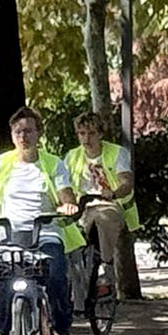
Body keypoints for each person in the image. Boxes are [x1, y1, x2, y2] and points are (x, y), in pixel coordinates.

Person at [0, 105, 77, 335]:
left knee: (55, 275)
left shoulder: (53, 164)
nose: (24, 136)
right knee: (4, 285)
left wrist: (67, 206)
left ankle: (60, 329)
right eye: (18, 131)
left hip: (45, 232)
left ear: (38, 134)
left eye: (29, 131)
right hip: (10, 235)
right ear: (12, 135)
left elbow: (66, 194)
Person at [63, 111, 138, 285]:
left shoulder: (117, 153)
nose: (86, 139)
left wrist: (114, 192)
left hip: (111, 204)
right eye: (82, 133)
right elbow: (63, 185)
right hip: (82, 206)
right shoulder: (71, 156)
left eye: (91, 133)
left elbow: (126, 182)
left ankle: (104, 264)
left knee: (101, 217)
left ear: (101, 134)